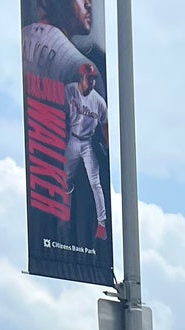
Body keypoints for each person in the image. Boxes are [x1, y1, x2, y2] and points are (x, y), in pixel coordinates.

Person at [65, 64, 109, 241]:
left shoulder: (99, 102)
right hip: (71, 139)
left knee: (95, 183)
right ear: (81, 77)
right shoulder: (69, 91)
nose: (91, 81)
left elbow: (105, 125)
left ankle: (101, 224)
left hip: (88, 143)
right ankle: (63, 213)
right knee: (63, 177)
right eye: (88, 77)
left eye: (93, 78)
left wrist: (107, 146)